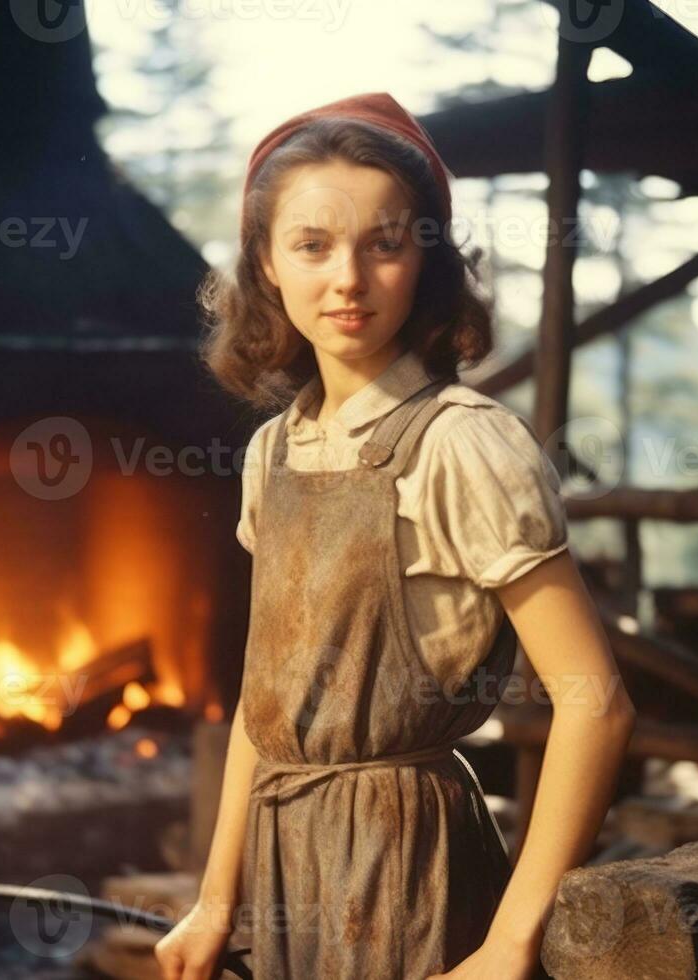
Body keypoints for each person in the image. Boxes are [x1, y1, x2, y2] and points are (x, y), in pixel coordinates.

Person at [155, 91, 636, 980]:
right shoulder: (275, 452)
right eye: (311, 245)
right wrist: (214, 903)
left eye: (383, 244)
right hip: (282, 869)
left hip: (409, 868)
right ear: (264, 262)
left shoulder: (463, 442)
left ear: (425, 264)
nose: (347, 279)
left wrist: (508, 944)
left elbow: (595, 703)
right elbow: (270, 709)